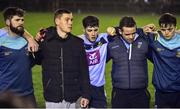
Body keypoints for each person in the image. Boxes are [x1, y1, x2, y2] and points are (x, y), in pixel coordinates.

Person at [34, 9, 90, 108]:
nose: (70, 23)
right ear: (57, 21)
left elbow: (84, 71)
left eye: (71, 20)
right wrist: (36, 42)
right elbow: (37, 60)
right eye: (67, 20)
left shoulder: (78, 43)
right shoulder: (46, 41)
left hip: (74, 96)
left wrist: (86, 95)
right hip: (52, 96)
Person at [107, 16, 151, 108]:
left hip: (141, 93)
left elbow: (158, 59)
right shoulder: (112, 42)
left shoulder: (144, 40)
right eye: (127, 34)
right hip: (119, 93)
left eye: (133, 33)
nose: (131, 37)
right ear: (120, 31)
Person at [0, 7, 37, 107]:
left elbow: (29, 62)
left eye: (22, 20)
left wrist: (32, 39)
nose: (21, 22)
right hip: (6, 95)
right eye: (17, 20)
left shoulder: (26, 40)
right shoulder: (1, 39)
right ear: (8, 22)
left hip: (28, 94)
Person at [143, 13, 180, 108]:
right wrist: (145, 28)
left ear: (175, 27)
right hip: (161, 91)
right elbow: (131, 32)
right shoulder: (155, 39)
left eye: (170, 29)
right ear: (160, 28)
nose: (166, 32)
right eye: (163, 30)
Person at [78, 16, 109, 108]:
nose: (93, 33)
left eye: (95, 30)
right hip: (81, 87)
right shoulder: (77, 41)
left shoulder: (104, 39)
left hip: (98, 87)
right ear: (83, 30)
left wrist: (114, 29)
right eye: (89, 30)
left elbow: (123, 31)